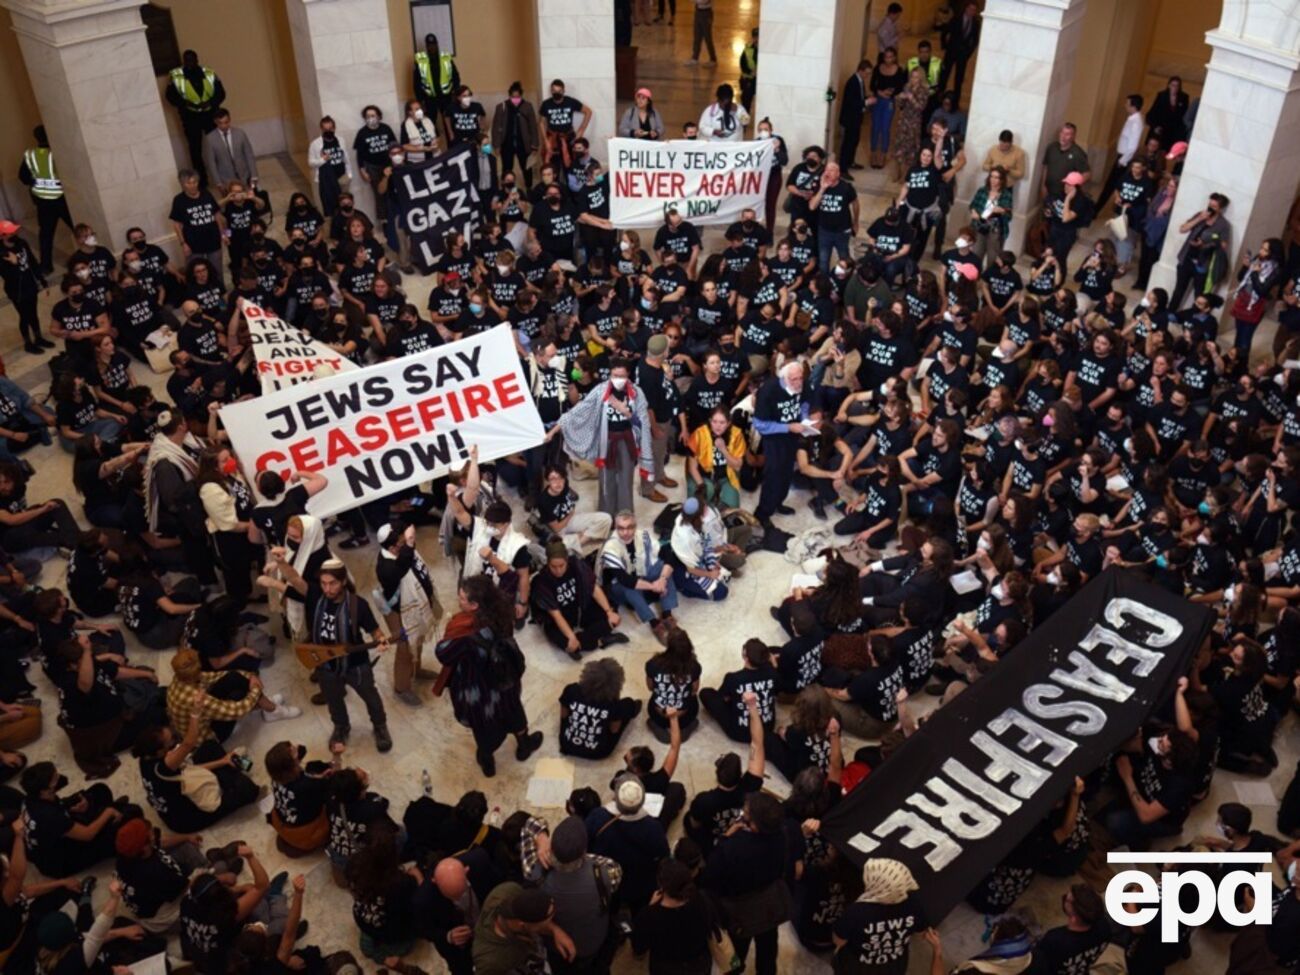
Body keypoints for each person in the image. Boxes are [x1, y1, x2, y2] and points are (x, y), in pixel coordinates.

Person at [435, 574, 544, 777]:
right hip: (505, 680)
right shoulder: (501, 613)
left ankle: (487, 760)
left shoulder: (464, 633)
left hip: (478, 689)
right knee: (514, 712)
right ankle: (524, 745)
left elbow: (443, 654)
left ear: (475, 605)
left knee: (483, 727)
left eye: (462, 598)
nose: (458, 601)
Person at [302, 560, 392, 752]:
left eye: (332, 583)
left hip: (355, 664)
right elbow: (294, 581)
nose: (327, 588)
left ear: (343, 581)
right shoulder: (317, 597)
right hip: (326, 664)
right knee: (333, 699)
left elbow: (375, 631)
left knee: (370, 696)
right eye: (323, 583)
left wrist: (381, 640)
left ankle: (380, 726)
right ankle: (341, 727)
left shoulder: (357, 605)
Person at [549, 358, 656, 515]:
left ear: (628, 375)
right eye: (614, 375)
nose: (618, 379)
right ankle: (605, 516)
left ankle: (625, 516)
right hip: (607, 440)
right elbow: (579, 411)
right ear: (610, 374)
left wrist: (626, 412)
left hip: (627, 440)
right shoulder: (600, 390)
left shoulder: (636, 393)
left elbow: (643, 422)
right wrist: (554, 430)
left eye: (622, 376)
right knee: (606, 480)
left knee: (626, 480)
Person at [132, 717, 260, 833]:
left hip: (183, 789)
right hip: (189, 818)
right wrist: (195, 714)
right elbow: (189, 743)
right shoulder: (162, 768)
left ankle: (229, 770)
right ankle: (230, 778)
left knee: (209, 746)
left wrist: (223, 761)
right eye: (172, 742)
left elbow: (189, 771)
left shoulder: (145, 758)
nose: (176, 744)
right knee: (249, 790)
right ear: (160, 751)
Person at [374, 520, 442, 707]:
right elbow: (402, 567)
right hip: (399, 612)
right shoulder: (386, 567)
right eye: (404, 542)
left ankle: (416, 670)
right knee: (404, 648)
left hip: (417, 605)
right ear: (393, 547)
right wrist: (409, 545)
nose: (409, 544)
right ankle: (402, 688)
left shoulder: (402, 550)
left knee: (418, 639)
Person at [832, 859, 927, 974]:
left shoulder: (856, 912)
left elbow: (839, 941)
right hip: (894, 966)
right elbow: (921, 933)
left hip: (858, 967)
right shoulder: (913, 904)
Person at [753, 361, 809, 526]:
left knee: (786, 473)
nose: (798, 383)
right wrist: (788, 427)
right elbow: (760, 424)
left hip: (793, 436)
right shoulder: (768, 391)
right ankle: (762, 512)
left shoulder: (802, 385)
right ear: (784, 378)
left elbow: (804, 403)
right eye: (793, 380)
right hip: (774, 438)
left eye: (800, 378)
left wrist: (804, 419)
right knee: (773, 476)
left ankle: (778, 502)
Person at [472, 885, 576, 975]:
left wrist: (556, 930)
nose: (549, 924)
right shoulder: (491, 961)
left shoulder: (509, 890)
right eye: (542, 925)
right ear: (522, 924)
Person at [18, 126, 73, 275]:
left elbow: (23, 177)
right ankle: (90, 255)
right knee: (77, 228)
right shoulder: (57, 153)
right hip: (62, 200)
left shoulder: (30, 155)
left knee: (46, 234)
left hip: (43, 201)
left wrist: (36, 182)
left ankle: (46, 265)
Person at [165, 49, 226, 185]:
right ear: (183, 61)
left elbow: (221, 93)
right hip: (190, 117)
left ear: (197, 59)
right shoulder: (176, 76)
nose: (189, 63)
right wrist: (185, 104)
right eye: (186, 60)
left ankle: (222, 175)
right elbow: (170, 97)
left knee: (217, 145)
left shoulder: (209, 73)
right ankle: (202, 180)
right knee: (195, 150)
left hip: (210, 115)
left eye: (192, 60)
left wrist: (210, 103)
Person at [1171, 192, 1233, 310]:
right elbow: (1182, 229)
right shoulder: (1200, 215)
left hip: (1203, 263)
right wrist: (1199, 218)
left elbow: (1223, 245)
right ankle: (1170, 312)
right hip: (1187, 257)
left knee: (1199, 294)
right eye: (1209, 205)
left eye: (1214, 207)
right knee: (1179, 289)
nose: (1210, 208)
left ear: (1220, 209)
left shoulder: (1223, 225)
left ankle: (1194, 318)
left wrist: (1205, 244)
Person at [0, 220, 52, 353]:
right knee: (24, 315)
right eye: (10, 232)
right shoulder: (2, 254)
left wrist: (41, 280)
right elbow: (7, 275)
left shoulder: (21, 243)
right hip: (16, 289)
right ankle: (28, 342)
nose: (14, 233)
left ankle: (38, 337)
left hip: (30, 284)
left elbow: (32, 262)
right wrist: (14, 263)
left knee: (33, 313)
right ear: (3, 236)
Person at [170, 168, 226, 279]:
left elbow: (216, 215)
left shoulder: (206, 194)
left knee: (217, 270)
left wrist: (222, 234)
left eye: (195, 182)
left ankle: (219, 291)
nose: (193, 185)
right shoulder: (179, 200)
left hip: (213, 239)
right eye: (189, 183)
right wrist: (183, 244)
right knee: (195, 272)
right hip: (193, 243)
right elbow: (177, 224)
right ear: (183, 184)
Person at [1231, 237, 1284, 353]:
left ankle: (1241, 363)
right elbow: (1241, 278)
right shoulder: (1257, 259)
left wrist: (1255, 273)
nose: (1261, 252)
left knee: (1245, 338)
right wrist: (1245, 266)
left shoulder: (1276, 270)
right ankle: (1233, 358)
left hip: (1256, 305)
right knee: (1239, 333)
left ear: (1273, 254)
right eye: (1261, 248)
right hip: (1244, 298)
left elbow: (1262, 290)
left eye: (1265, 250)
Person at [810, 161, 859, 272]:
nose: (828, 172)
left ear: (838, 174)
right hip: (824, 230)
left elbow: (855, 203)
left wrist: (855, 222)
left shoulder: (846, 187)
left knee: (844, 258)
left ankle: (844, 281)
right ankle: (824, 284)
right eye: (826, 170)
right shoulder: (819, 185)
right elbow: (812, 206)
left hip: (842, 231)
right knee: (823, 260)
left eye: (831, 170)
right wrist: (822, 189)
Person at [538, 79, 592, 174]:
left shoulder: (570, 101)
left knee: (570, 167)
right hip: (552, 139)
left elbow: (588, 111)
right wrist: (545, 140)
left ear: (563, 91)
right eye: (554, 91)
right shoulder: (546, 104)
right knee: (553, 168)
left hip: (568, 138)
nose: (556, 93)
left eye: (559, 91)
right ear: (551, 91)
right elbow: (541, 122)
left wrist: (581, 130)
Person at [492, 82, 540, 188]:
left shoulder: (527, 106)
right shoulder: (501, 107)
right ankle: (506, 189)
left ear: (521, 95)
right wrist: (496, 145)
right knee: (507, 168)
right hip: (507, 144)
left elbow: (533, 126)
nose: (515, 99)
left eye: (518, 97)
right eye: (513, 97)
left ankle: (529, 189)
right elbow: (495, 128)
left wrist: (534, 145)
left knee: (527, 168)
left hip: (524, 144)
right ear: (509, 96)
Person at [201, 108, 258, 198]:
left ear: (230, 120)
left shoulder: (240, 133)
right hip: (226, 180)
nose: (224, 126)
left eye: (226, 122)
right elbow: (211, 163)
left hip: (244, 176)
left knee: (249, 201)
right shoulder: (210, 139)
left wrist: (254, 175)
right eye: (220, 123)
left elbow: (249, 155)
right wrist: (218, 182)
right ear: (215, 122)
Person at [307, 114, 353, 217]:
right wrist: (323, 159)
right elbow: (311, 163)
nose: (328, 131)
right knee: (331, 206)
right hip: (326, 180)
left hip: (342, 177)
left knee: (345, 204)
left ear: (334, 128)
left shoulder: (340, 140)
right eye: (325, 129)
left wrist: (349, 174)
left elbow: (346, 158)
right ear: (321, 129)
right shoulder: (315, 144)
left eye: (331, 128)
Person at [938, 1, 981, 104]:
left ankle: (955, 102)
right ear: (966, 9)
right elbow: (945, 32)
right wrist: (945, 46)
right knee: (944, 75)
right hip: (951, 52)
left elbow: (975, 40)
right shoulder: (956, 19)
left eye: (974, 10)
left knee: (959, 79)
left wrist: (968, 53)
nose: (972, 12)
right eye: (970, 9)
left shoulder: (975, 23)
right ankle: (939, 98)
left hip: (963, 55)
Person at [414, 32, 460, 126]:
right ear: (426, 46)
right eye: (429, 45)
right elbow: (416, 82)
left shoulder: (446, 58)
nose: (432, 47)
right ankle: (434, 140)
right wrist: (420, 100)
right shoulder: (421, 60)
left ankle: (451, 140)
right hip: (429, 98)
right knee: (430, 123)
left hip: (446, 97)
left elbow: (455, 76)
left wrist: (455, 93)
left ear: (437, 44)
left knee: (449, 122)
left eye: (434, 44)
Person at [839, 60, 873, 172]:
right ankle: (843, 168)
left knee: (854, 141)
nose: (867, 76)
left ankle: (850, 162)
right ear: (860, 70)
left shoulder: (860, 81)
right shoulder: (852, 82)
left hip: (856, 118)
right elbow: (852, 102)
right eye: (866, 73)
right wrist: (867, 102)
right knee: (847, 143)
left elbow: (859, 97)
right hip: (850, 119)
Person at [1145, 76, 1190, 150]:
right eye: (1173, 85)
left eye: (1177, 86)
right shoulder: (1161, 95)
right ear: (1169, 85)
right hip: (1161, 129)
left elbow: (1184, 115)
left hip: (1173, 131)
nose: (1174, 88)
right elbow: (1154, 111)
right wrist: (1155, 126)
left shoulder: (1184, 97)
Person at [685, 0, 717, 65]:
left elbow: (704, 1)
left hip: (706, 13)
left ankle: (713, 59)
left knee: (707, 37)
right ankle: (695, 58)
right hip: (698, 11)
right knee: (697, 35)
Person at [739, 28, 759, 112]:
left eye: (758, 37)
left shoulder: (767, 51)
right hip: (749, 80)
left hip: (759, 80)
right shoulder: (748, 49)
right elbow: (742, 63)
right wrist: (750, 72)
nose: (757, 39)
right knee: (745, 105)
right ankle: (744, 124)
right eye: (755, 37)